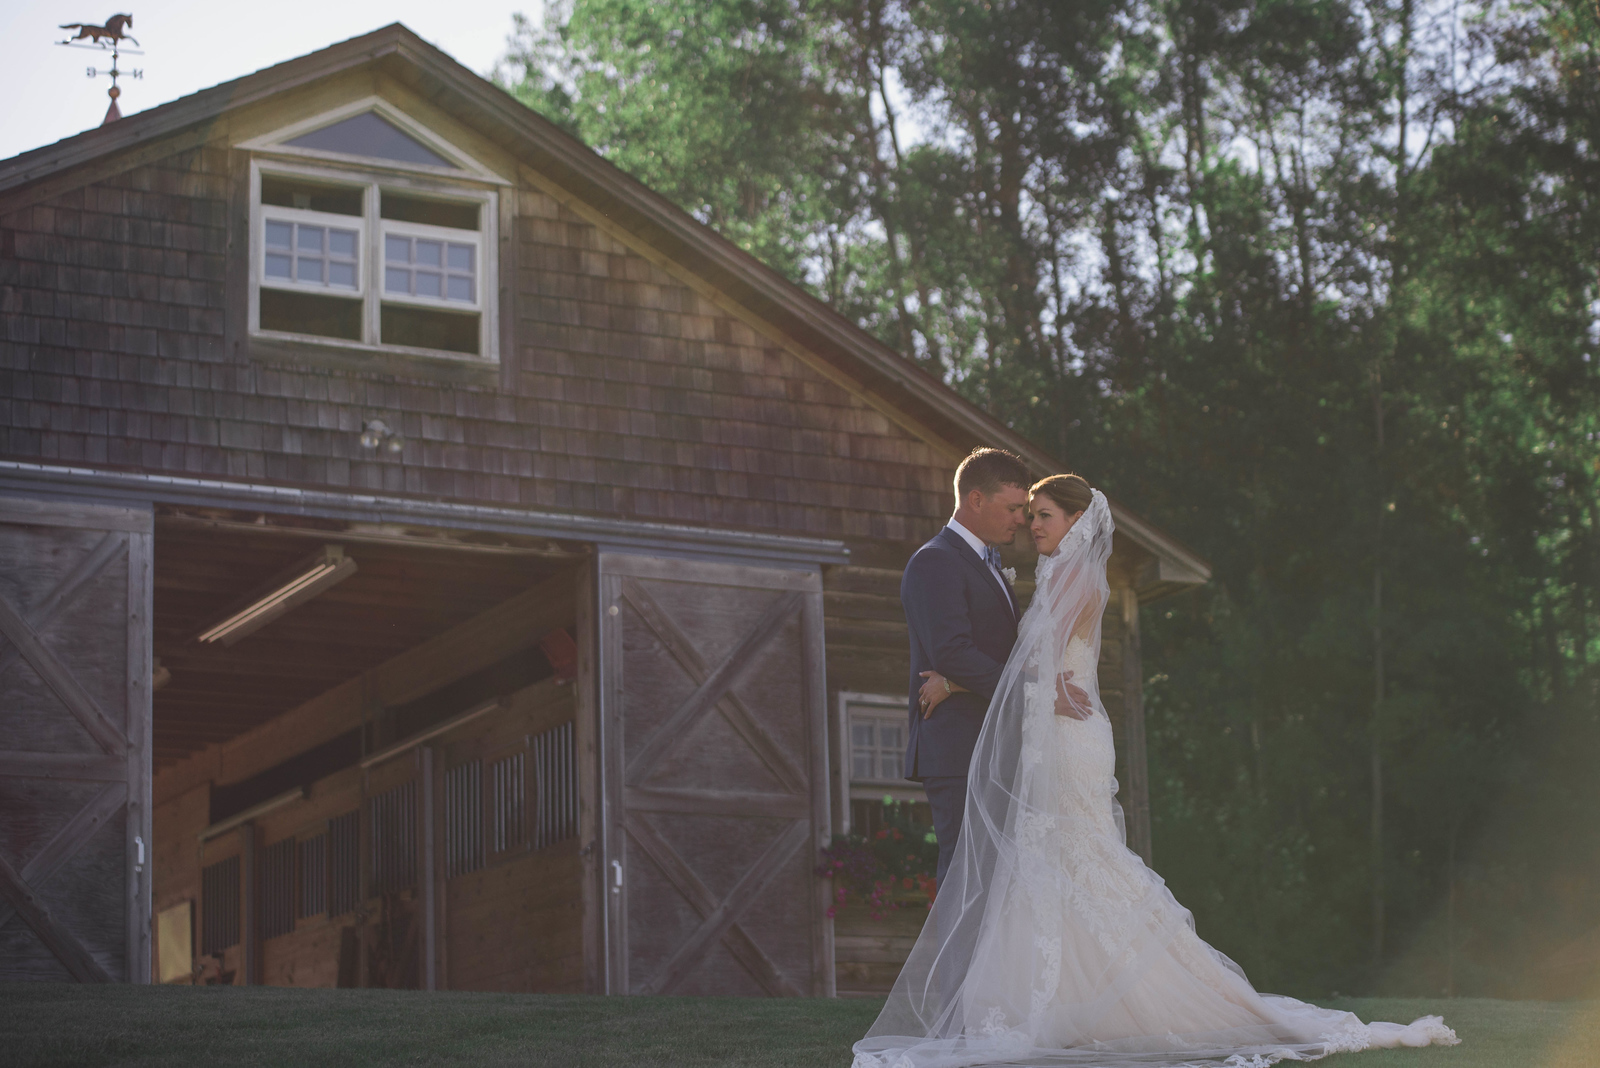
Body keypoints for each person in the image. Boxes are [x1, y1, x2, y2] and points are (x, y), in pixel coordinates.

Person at [857, 472, 1460, 1067]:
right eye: (1025, 511)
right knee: (1054, 864)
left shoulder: (1074, 579)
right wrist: (962, 675)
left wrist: (954, 678)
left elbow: (1027, 659)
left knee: (1076, 858)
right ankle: (1048, 1002)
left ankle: (1122, 1000)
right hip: (1052, 729)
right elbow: (1022, 659)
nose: (1029, 523)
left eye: (1041, 514)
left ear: (1073, 522)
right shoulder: (1032, 572)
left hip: (1067, 734)